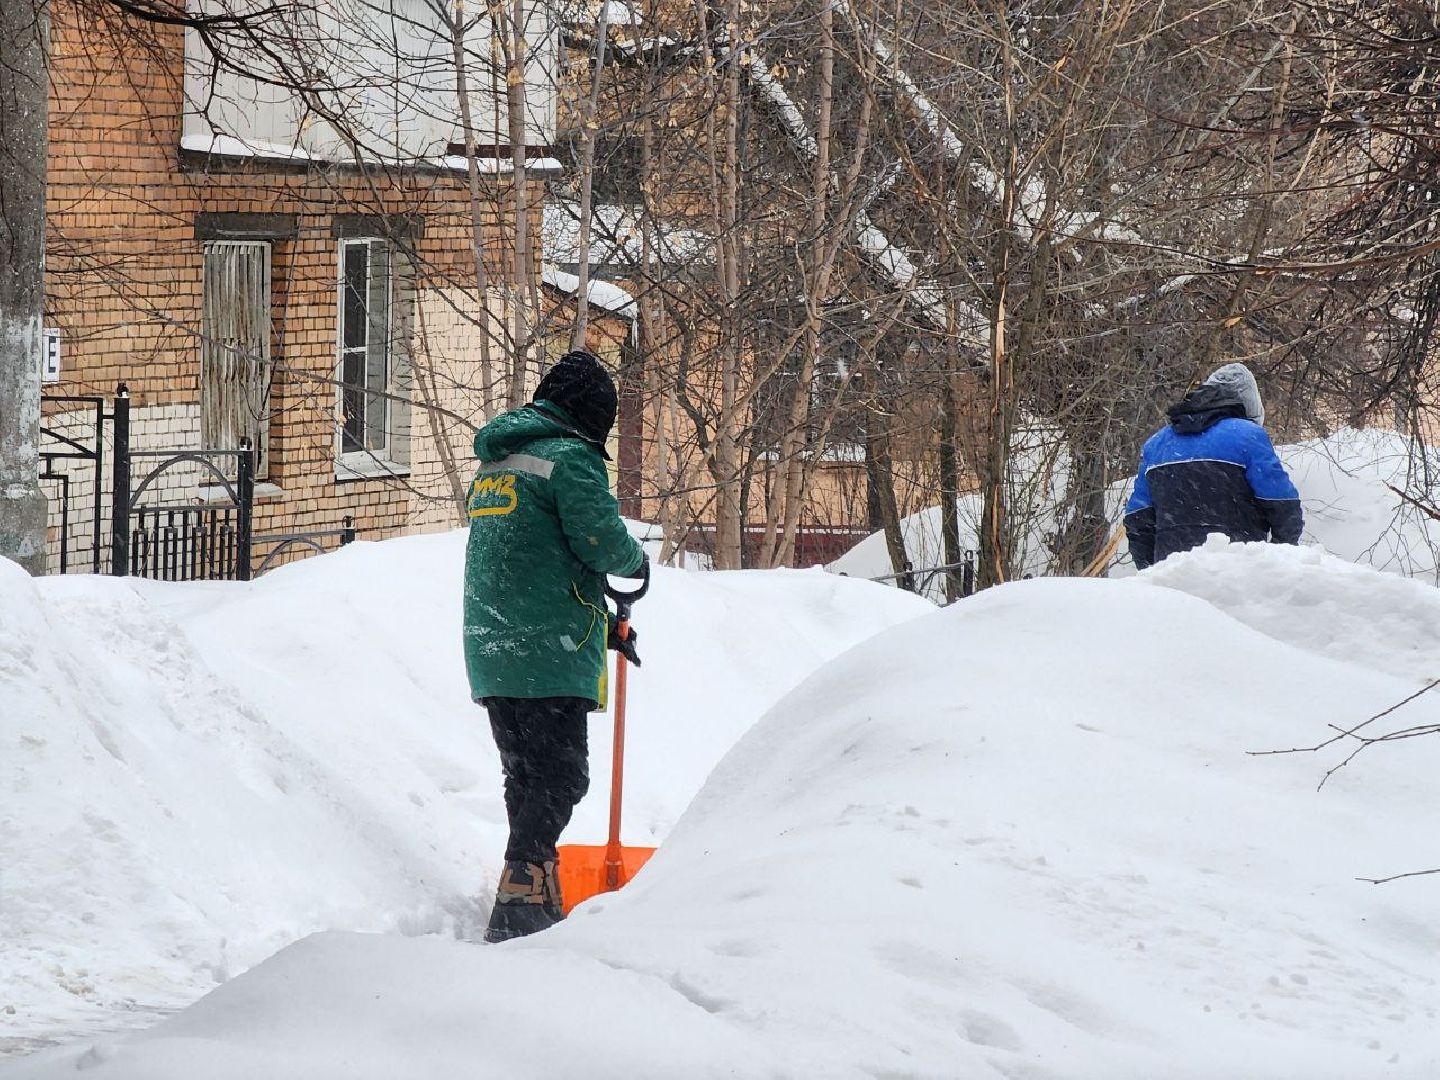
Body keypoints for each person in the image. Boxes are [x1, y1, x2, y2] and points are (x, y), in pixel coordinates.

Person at [462, 350, 647, 943]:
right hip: (549, 649)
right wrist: (636, 561)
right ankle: (516, 902)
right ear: (592, 416)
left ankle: (536, 906)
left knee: (526, 777)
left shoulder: (498, 462)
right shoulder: (569, 459)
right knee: (563, 778)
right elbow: (602, 542)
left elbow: (534, 553)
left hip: (493, 648)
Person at [1124, 362, 1303, 570]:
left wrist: (1151, 572)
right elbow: (1284, 506)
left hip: (1173, 575)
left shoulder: (1156, 444)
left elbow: (1137, 519)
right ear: (1249, 404)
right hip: (1237, 571)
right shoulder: (1248, 437)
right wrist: (1275, 563)